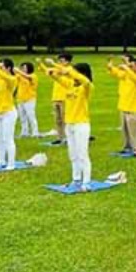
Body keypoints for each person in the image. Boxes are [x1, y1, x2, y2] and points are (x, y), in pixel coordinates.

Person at [42, 59, 94, 190]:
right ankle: (76, 179)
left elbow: (85, 81)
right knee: (73, 154)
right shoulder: (70, 84)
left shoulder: (86, 87)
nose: (72, 75)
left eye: (75, 73)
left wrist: (70, 71)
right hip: (69, 124)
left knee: (82, 154)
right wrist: (51, 71)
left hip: (81, 124)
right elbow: (58, 78)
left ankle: (86, 181)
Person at [107, 55, 136, 156]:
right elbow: (115, 72)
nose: (130, 68)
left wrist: (126, 68)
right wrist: (111, 64)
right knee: (125, 131)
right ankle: (127, 147)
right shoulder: (126, 74)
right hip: (123, 106)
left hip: (134, 108)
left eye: (132, 66)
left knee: (135, 131)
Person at [43, 52, 73, 145]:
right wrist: (42, 65)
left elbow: (63, 70)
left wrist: (53, 64)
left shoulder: (69, 69)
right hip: (55, 97)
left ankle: (68, 138)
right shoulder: (57, 69)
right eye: (59, 60)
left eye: (62, 60)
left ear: (67, 61)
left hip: (65, 98)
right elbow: (48, 71)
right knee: (58, 120)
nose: (60, 62)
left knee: (65, 120)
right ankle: (60, 137)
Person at [14, 62, 40, 138]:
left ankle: (35, 132)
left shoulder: (33, 76)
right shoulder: (20, 76)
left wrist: (18, 71)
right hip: (20, 99)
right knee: (22, 117)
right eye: (21, 68)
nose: (23, 69)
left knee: (31, 116)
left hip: (29, 99)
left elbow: (28, 77)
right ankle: (24, 132)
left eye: (24, 68)